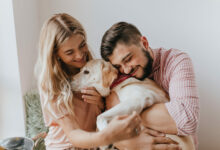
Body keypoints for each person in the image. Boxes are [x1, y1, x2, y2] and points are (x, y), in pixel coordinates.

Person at [35, 13, 142, 150]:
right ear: (56, 54)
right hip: (66, 146)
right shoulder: (50, 84)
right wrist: (109, 136)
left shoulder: (94, 69)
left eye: (82, 45)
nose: (79, 55)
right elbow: (73, 133)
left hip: (94, 143)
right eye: (69, 52)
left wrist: (100, 103)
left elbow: (109, 108)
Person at [100, 22, 200, 150]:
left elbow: (187, 121)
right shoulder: (117, 78)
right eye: (118, 66)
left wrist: (121, 108)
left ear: (144, 44)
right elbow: (110, 131)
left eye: (128, 59)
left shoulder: (176, 62)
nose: (125, 71)